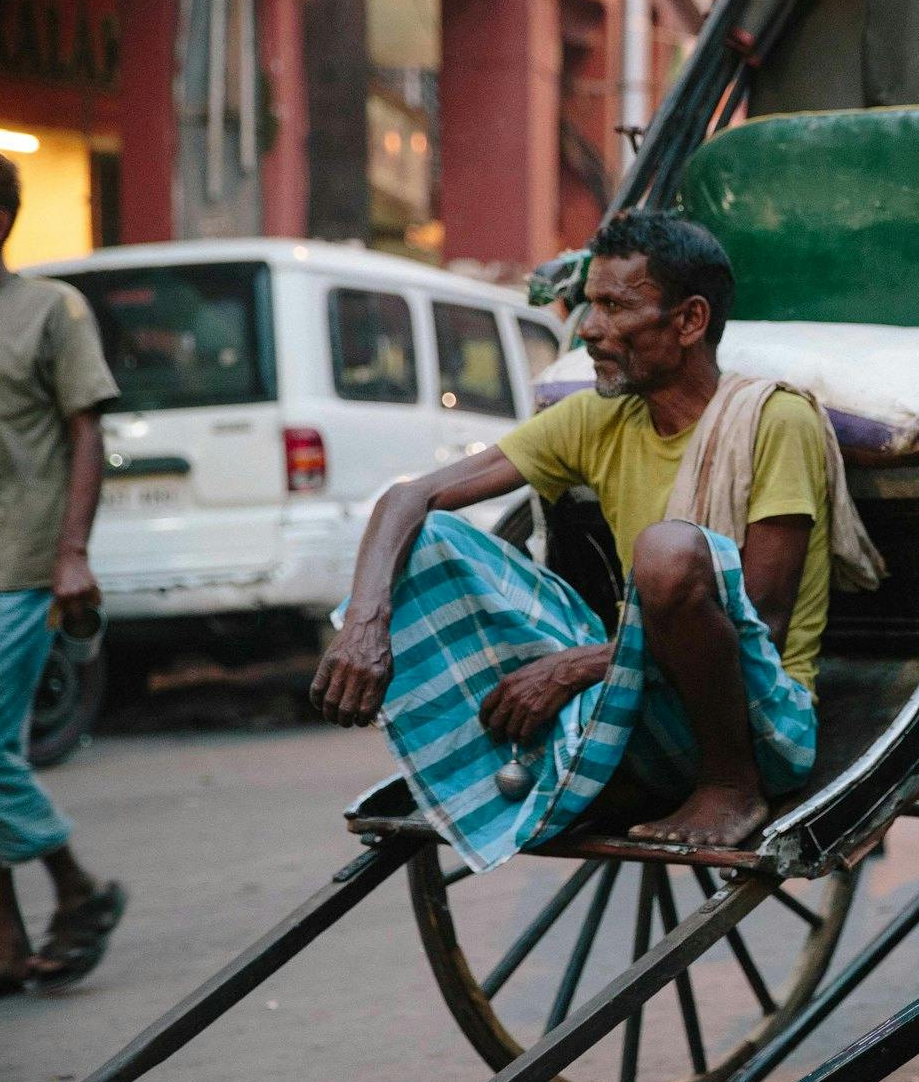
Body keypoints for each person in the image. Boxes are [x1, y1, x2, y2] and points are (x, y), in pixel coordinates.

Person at [310, 211, 880, 866]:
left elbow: (764, 621)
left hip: (754, 721)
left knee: (666, 551)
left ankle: (728, 788)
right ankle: (509, 762)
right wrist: (364, 622)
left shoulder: (775, 421)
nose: (589, 328)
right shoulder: (597, 414)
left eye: (614, 306)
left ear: (689, 321)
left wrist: (575, 666)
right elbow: (412, 497)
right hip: (637, 703)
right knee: (431, 536)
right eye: (588, 304)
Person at [0, 146, 128, 1004]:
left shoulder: (50, 309)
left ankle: (78, 889)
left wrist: (71, 553)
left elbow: (86, 428)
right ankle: (6, 945)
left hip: (18, 570)